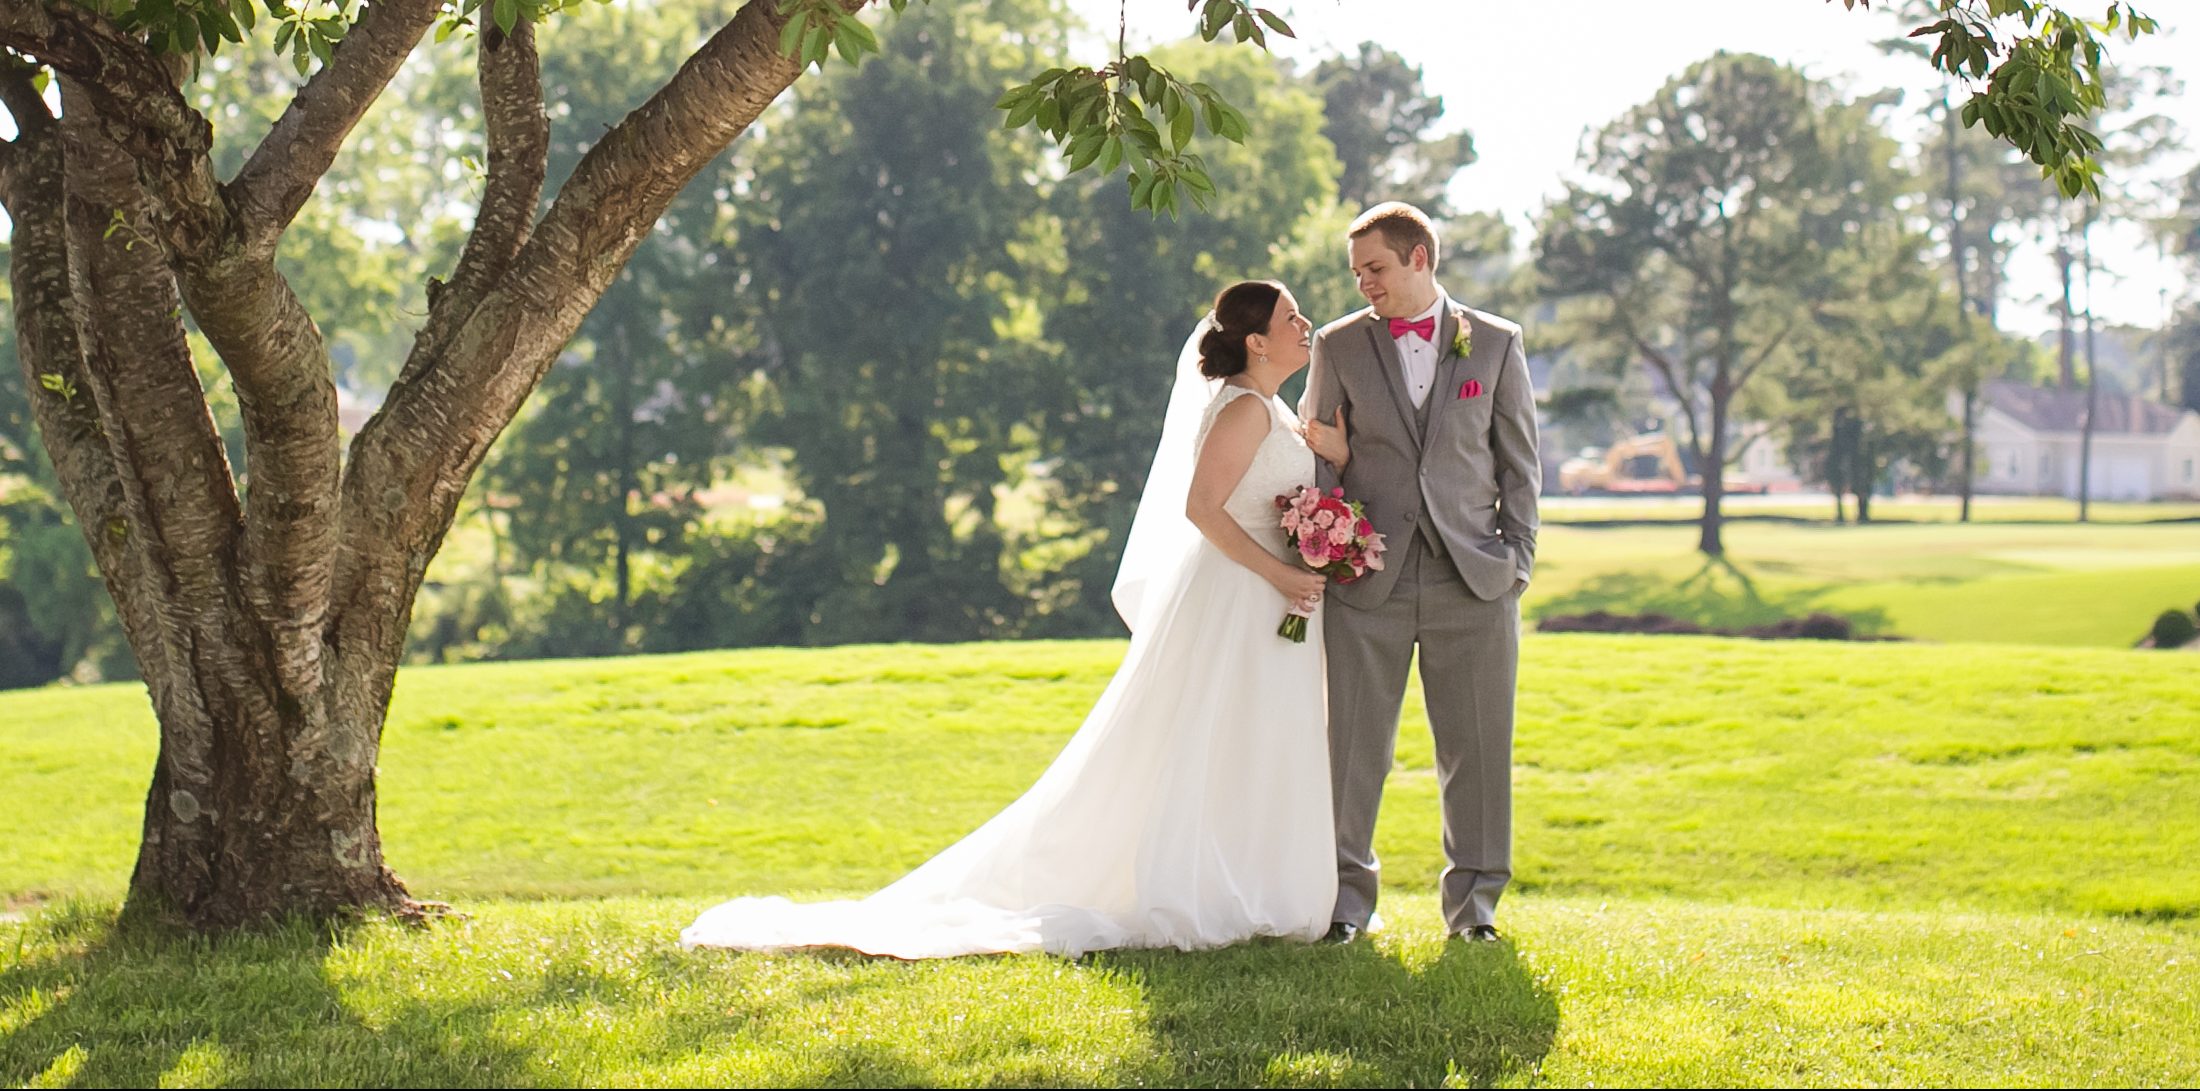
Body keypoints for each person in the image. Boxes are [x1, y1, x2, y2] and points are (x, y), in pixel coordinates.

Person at [681, 280, 1340, 958]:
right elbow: (1203, 510)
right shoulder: (1244, 412)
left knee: (1250, 736)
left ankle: (1256, 883)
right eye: (1291, 317)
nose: (1305, 323)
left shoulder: (1273, 406)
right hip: (1239, 595)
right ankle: (1208, 886)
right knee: (1209, 734)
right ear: (1256, 340)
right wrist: (1282, 572)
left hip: (1270, 599)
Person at [1299, 202, 1540, 945]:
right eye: (1356, 272)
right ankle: (1344, 904)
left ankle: (1475, 909)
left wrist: (1516, 563)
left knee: (1478, 748)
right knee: (1352, 749)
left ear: (1419, 259)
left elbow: (1520, 464)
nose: (1363, 283)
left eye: (1374, 268)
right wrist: (1331, 550)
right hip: (1367, 582)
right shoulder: (1338, 346)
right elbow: (1315, 457)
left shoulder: (1496, 342)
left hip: (1474, 580)